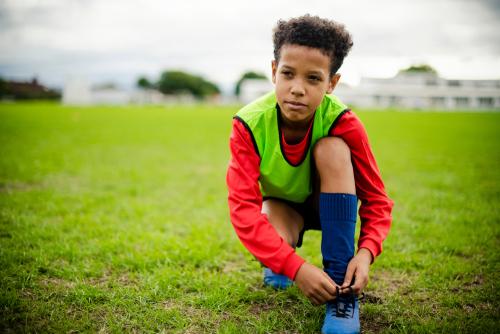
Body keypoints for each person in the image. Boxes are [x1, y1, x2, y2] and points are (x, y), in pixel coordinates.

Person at [226, 14, 393, 334]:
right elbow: (243, 211)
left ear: (332, 83)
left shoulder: (345, 122)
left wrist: (366, 252)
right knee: (272, 243)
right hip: (284, 209)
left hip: (328, 203)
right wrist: (295, 267)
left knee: (332, 148)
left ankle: (342, 296)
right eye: (288, 74)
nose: (297, 89)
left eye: (313, 79)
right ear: (274, 71)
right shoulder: (248, 123)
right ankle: (279, 260)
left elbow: (377, 199)